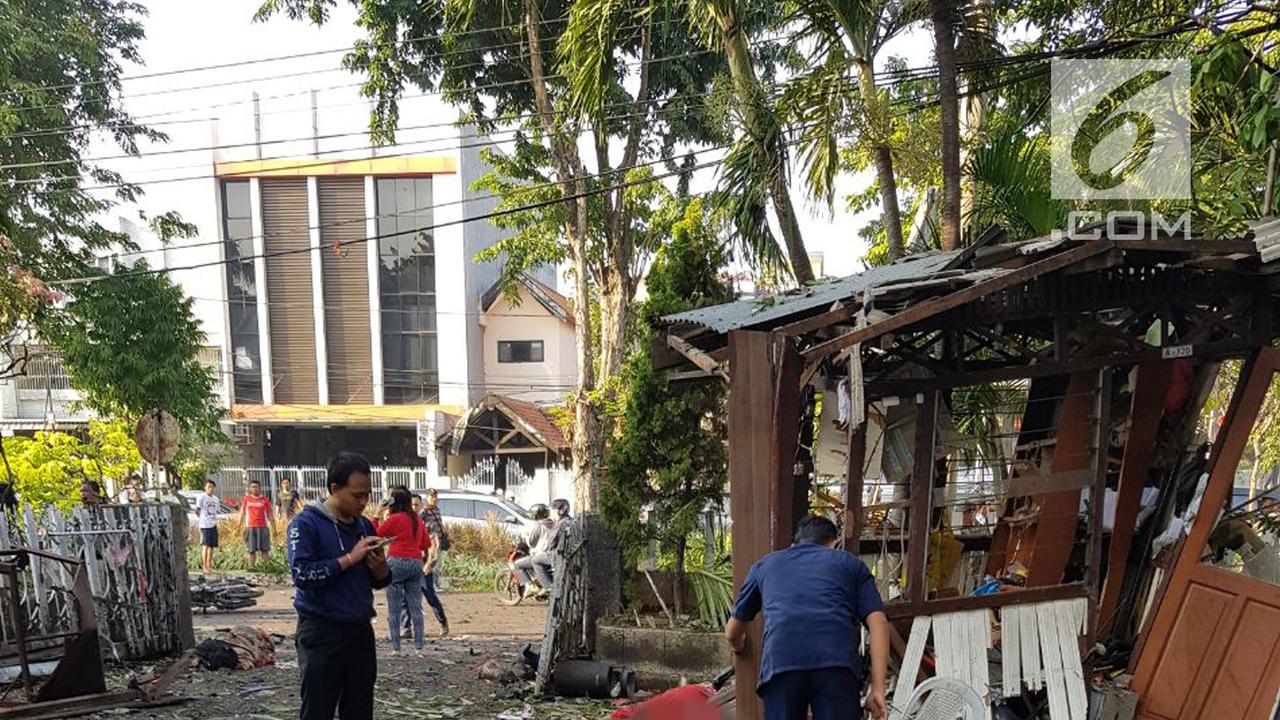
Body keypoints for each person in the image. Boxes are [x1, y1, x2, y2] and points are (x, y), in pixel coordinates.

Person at [725, 516, 889, 720]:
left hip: (781, 665)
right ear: (834, 543)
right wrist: (878, 689)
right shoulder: (851, 564)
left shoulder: (765, 565)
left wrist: (739, 645)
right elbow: (878, 622)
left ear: (794, 543)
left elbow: (732, 631)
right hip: (836, 665)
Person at [288, 451, 390, 720]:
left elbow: (377, 580)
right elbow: (303, 575)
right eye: (357, 495)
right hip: (321, 632)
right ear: (334, 489)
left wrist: (380, 569)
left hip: (358, 631)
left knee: (359, 709)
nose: (364, 502)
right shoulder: (306, 523)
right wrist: (349, 558)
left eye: (367, 494)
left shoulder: (365, 526)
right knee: (318, 710)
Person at [377, 488, 432, 655]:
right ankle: (418, 647)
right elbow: (426, 544)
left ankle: (396, 648)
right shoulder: (416, 519)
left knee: (394, 609)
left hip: (396, 563)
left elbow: (376, 535)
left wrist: (378, 514)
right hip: (416, 564)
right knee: (416, 607)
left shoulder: (395, 518)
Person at [532, 498, 572, 591]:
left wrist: (546, 551)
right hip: (567, 553)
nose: (551, 514)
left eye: (552, 511)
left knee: (535, 560)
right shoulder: (570, 521)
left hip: (558, 555)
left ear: (559, 511)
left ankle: (548, 588)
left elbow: (552, 542)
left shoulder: (560, 524)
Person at [514, 504, 554, 595]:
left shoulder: (538, 525)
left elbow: (531, 542)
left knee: (518, 565)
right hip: (551, 554)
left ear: (536, 514)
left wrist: (524, 540)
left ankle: (531, 587)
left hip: (541, 555)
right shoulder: (553, 523)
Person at [239, 480, 274, 568]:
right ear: (250, 488)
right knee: (251, 550)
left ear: (260, 488)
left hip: (263, 527)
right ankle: (252, 568)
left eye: (256, 487)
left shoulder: (264, 500)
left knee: (265, 549)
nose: (254, 489)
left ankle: (266, 568)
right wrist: (238, 526)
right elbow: (242, 513)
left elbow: (270, 514)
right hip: (250, 527)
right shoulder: (246, 499)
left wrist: (274, 528)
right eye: (252, 487)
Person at [196, 480, 222, 575]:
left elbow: (217, 511)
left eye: (212, 487)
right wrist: (201, 519)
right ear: (205, 487)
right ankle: (204, 566)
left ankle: (209, 565)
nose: (210, 489)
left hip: (213, 524)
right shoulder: (201, 497)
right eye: (209, 487)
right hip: (204, 525)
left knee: (212, 546)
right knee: (205, 545)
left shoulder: (215, 499)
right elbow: (197, 509)